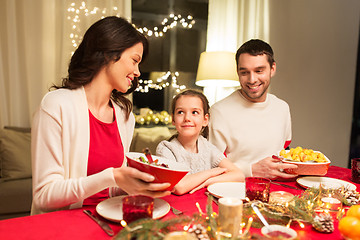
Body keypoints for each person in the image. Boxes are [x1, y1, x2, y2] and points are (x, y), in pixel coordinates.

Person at [31, 16, 171, 215]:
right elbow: (44, 196)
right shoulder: (56, 105)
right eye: (134, 60)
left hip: (109, 219)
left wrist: (139, 184)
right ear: (109, 53)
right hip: (63, 226)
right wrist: (111, 176)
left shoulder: (124, 115)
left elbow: (110, 189)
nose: (138, 72)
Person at [208, 39, 298, 179]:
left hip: (278, 191)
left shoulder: (282, 107)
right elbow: (211, 166)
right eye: (244, 72)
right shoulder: (218, 112)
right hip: (235, 190)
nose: (252, 79)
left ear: (272, 69)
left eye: (259, 71)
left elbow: (285, 150)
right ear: (237, 71)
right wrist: (250, 170)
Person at [156, 89, 244, 195]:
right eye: (180, 112)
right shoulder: (166, 149)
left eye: (194, 112)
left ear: (205, 120)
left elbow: (238, 175)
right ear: (173, 119)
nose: (187, 118)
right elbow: (178, 187)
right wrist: (211, 172)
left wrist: (208, 181)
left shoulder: (207, 147)